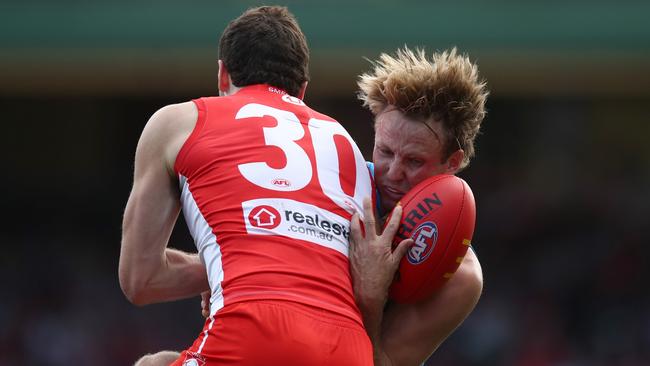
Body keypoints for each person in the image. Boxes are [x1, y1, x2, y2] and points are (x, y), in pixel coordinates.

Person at [118, 6, 411, 366]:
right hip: (347, 348)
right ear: (302, 90)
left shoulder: (177, 122)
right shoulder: (346, 143)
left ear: (222, 75)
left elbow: (140, 280)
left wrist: (224, 261)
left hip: (249, 334)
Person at [348, 46, 489, 366]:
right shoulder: (333, 186)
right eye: (384, 151)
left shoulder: (460, 278)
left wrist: (371, 298)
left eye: (414, 161)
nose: (393, 172)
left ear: (452, 162)